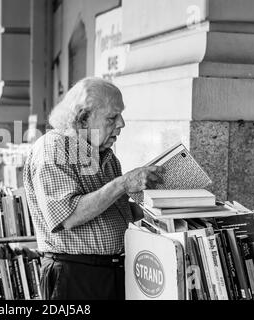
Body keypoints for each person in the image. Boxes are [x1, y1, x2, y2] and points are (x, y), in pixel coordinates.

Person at [23, 77, 164, 300]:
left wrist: (160, 209)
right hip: (76, 275)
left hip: (114, 272)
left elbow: (108, 209)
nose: (121, 124)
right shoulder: (54, 148)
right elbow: (68, 216)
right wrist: (124, 183)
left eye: (121, 114)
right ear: (83, 118)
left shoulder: (105, 154)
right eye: (112, 117)